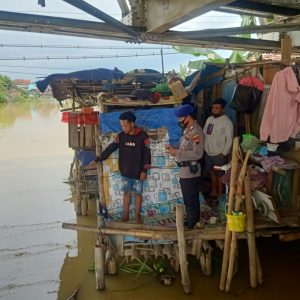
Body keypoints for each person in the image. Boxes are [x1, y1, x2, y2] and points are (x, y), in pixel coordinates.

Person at [87, 111, 151, 223]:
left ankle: (137, 216)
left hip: (138, 172)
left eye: (125, 125)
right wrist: (97, 159)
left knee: (138, 194)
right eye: (122, 125)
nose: (123, 127)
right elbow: (110, 148)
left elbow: (147, 154)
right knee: (126, 193)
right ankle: (125, 216)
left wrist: (144, 170)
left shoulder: (143, 136)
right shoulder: (121, 136)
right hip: (125, 172)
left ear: (132, 124)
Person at [165, 104, 204, 228]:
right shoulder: (187, 131)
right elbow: (185, 148)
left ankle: (192, 221)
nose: (179, 121)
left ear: (188, 117)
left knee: (191, 198)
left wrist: (177, 153)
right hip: (185, 170)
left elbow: (197, 154)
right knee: (189, 197)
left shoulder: (196, 132)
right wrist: (173, 149)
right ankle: (192, 218)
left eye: (181, 118)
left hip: (191, 171)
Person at [203, 98, 234, 198]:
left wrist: (224, 153)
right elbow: (204, 134)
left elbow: (230, 139)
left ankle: (220, 194)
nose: (214, 110)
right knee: (212, 173)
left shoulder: (226, 122)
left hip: (219, 155)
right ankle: (214, 191)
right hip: (208, 153)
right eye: (213, 108)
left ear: (222, 109)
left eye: (217, 108)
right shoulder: (209, 119)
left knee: (220, 175)